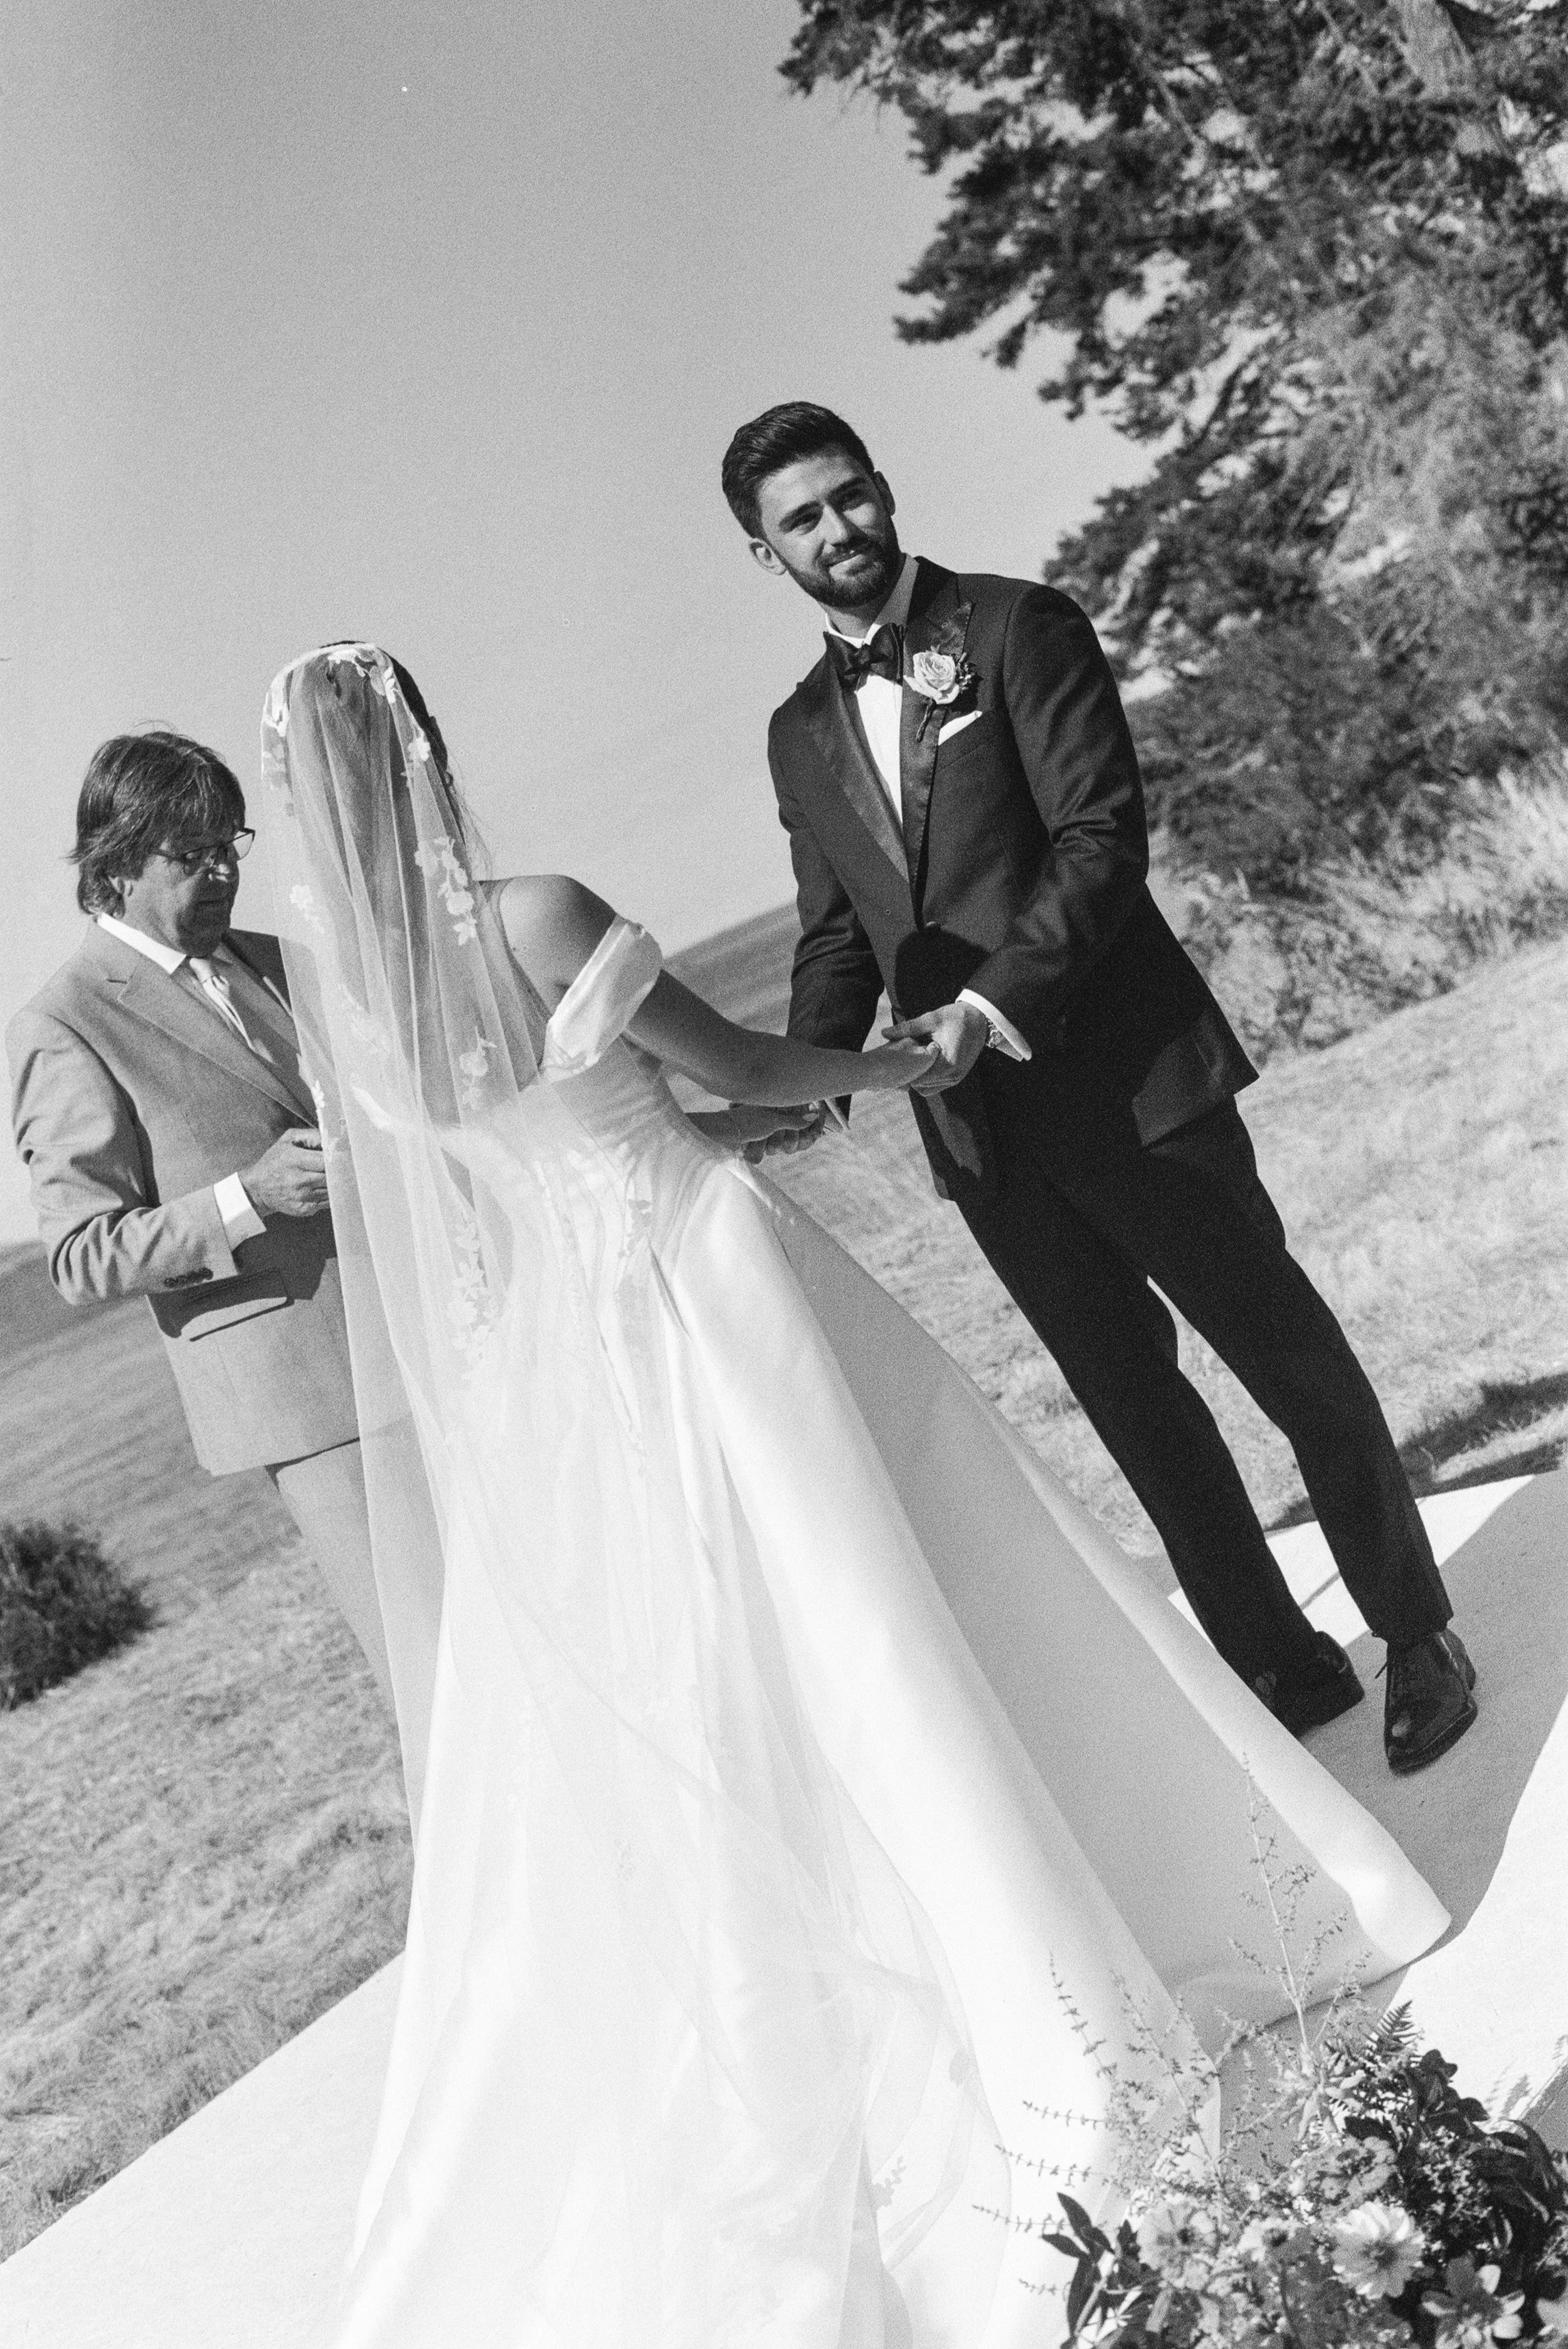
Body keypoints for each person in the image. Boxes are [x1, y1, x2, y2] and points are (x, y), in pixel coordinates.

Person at [262, 642, 1447, 2348]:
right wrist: (898, 1073)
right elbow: (731, 1074)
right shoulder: (531, 914)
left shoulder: (357, 1015)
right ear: (425, 747)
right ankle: (1072, 1959)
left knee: (739, 1668)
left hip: (572, 1354)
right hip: (707, 1280)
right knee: (896, 1590)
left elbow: (505, 1177)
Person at [721, 398, 1477, 1778]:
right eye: (801, 519)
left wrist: (989, 1004)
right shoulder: (791, 734)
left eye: (849, 497)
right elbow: (836, 936)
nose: (838, 530)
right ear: (760, 555)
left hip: (1132, 1085)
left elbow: (1097, 841)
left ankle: (1416, 1631)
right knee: (1135, 1407)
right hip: (980, 1139)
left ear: (885, 487)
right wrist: (803, 1089)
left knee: (1282, 1356)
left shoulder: (1017, 627)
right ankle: (1275, 1663)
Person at [6, 730, 405, 1709]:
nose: (225, 870)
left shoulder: (278, 960)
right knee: (432, 1675)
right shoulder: (65, 1024)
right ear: (115, 864)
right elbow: (81, 1258)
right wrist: (246, 1200)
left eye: (234, 844)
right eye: (193, 855)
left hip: (426, 1344)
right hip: (307, 1402)